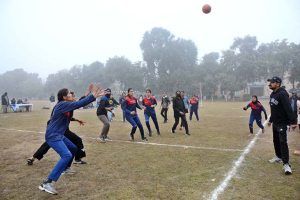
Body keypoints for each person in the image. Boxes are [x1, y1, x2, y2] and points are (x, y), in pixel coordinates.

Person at [38, 84, 104, 195]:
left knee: (73, 148)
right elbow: (78, 103)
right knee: (67, 155)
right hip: (53, 135)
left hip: (59, 134)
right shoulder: (62, 105)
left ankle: (65, 168)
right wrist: (92, 96)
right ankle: (47, 183)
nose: (71, 94)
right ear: (64, 97)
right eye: (69, 93)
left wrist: (88, 94)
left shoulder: (67, 104)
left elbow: (77, 103)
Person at [27, 92, 88, 166]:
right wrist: (86, 95)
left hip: (57, 127)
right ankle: (77, 159)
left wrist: (76, 120)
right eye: (73, 96)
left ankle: (33, 157)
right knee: (77, 140)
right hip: (58, 128)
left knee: (48, 143)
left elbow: (75, 107)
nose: (74, 98)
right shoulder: (64, 105)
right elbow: (79, 103)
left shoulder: (66, 104)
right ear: (66, 97)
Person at [267, 76, 297, 175]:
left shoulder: (282, 94)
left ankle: (286, 164)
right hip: (275, 122)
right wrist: (271, 120)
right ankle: (278, 157)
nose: (270, 84)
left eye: (272, 82)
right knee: (275, 140)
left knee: (283, 142)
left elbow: (288, 108)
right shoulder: (272, 94)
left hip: (282, 123)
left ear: (278, 84)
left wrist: (293, 122)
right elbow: (273, 109)